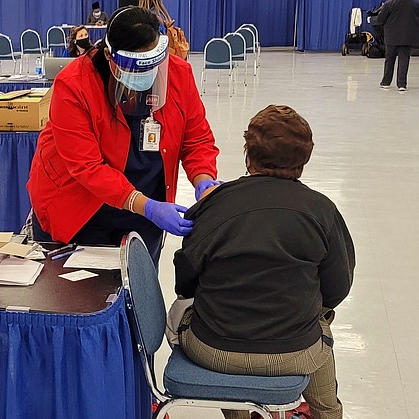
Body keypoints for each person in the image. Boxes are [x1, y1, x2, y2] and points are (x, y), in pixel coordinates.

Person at [174, 105, 355, 419]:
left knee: (183, 312)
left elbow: (185, 280)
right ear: (303, 161)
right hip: (296, 353)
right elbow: (338, 286)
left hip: (215, 351)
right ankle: (326, 411)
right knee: (319, 323)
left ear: (248, 156)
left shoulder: (214, 204)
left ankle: (241, 411)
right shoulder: (321, 210)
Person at [27, 6, 220, 263]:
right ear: (109, 55)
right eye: (134, 69)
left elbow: (196, 138)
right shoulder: (73, 86)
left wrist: (203, 177)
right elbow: (87, 167)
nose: (145, 77)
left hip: (143, 211)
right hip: (80, 208)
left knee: (137, 290)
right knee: (82, 294)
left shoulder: (178, 74)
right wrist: (148, 207)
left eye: (152, 67)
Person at [374, 0, 419, 91]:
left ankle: (386, 82)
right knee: (404, 59)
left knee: (389, 58)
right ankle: (402, 84)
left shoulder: (390, 3)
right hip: (407, 36)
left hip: (391, 36)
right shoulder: (415, 3)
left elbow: (380, 19)